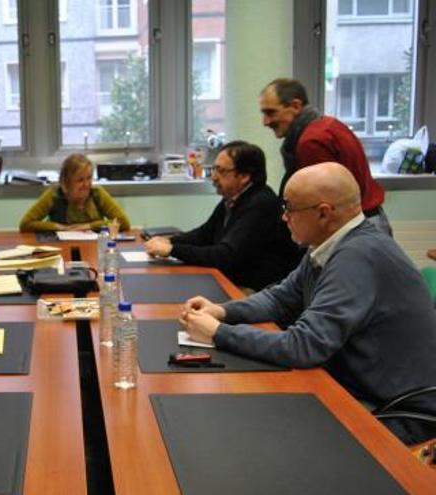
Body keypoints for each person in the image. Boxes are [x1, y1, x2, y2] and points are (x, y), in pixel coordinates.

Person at [179, 162, 436, 445]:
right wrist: (223, 311)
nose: (283, 217)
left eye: (289, 208)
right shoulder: (331, 244)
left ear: (323, 213)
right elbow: (280, 297)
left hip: (395, 412)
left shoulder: (357, 256)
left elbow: (304, 347)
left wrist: (219, 333)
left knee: (261, 438)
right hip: (358, 387)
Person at [143, 141, 301, 291]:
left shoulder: (260, 205)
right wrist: (168, 241)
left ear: (244, 176)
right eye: (214, 169)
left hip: (255, 291)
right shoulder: (234, 197)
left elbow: (225, 257)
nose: (214, 176)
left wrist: (172, 249)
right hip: (230, 281)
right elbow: (204, 235)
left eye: (221, 171)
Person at [259, 77, 391, 235]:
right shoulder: (329, 125)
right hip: (370, 220)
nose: (265, 121)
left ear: (295, 106)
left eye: (271, 112)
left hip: (351, 230)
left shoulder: (310, 142)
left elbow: (323, 204)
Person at [19, 153, 131, 232]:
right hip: (61, 246)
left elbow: (123, 222)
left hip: (93, 247)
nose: (86, 184)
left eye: (89, 178)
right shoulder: (54, 194)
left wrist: (89, 226)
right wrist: (58, 227)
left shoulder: (97, 193)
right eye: (80, 180)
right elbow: (25, 224)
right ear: (67, 181)